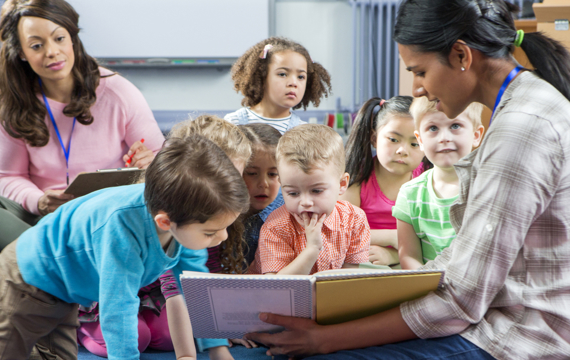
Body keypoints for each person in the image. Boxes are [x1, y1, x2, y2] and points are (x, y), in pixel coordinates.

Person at [244, 0, 570, 358]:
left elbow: (461, 301)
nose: (416, 89)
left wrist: (326, 338)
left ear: (461, 56)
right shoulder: (524, 105)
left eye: (420, 71)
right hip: (494, 314)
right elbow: (464, 261)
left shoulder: (521, 129)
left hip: (519, 334)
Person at [0, 135, 250, 360]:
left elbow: (194, 286)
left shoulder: (182, 215)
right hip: (26, 280)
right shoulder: (122, 228)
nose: (223, 238)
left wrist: (217, 347)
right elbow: (119, 308)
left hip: (66, 291)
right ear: (165, 222)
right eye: (212, 231)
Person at [0, 0, 165, 258]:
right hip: (44, 222)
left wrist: (149, 160)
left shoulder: (118, 92)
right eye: (37, 46)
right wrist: (39, 201)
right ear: (21, 53)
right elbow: (7, 177)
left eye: (59, 38)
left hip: (108, 220)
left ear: (72, 39)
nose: (51, 52)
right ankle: (56, 263)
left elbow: (163, 162)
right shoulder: (11, 105)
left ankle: (35, 264)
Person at [77, 115, 252, 357]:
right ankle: (81, 328)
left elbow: (200, 282)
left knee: (165, 336)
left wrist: (218, 334)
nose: (228, 188)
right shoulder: (173, 217)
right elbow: (168, 289)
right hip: (111, 292)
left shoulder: (213, 214)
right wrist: (187, 356)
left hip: (151, 294)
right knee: (137, 337)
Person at [249, 124, 371, 275]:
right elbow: (278, 288)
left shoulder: (354, 219)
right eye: (293, 193)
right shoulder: (276, 227)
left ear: (342, 184)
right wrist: (312, 249)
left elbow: (348, 279)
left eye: (316, 191)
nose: (305, 202)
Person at [394, 98, 484, 269]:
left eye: (455, 126)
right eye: (433, 128)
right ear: (419, 140)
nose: (444, 138)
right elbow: (409, 256)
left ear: (476, 135)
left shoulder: (489, 186)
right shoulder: (409, 194)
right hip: (429, 287)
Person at [341, 96, 426, 266]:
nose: (402, 150)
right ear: (374, 139)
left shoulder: (427, 181)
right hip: (365, 263)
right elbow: (340, 232)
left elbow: (435, 236)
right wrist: (393, 237)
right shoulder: (356, 179)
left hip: (414, 263)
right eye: (393, 140)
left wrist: (396, 252)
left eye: (414, 143)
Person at [224, 37, 332, 134]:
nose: (293, 83)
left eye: (301, 77)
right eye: (282, 74)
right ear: (262, 77)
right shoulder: (233, 123)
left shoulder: (304, 132)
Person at [239, 123, 284, 267]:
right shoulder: (218, 213)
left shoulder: (287, 213)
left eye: (273, 174)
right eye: (252, 173)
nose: (264, 183)